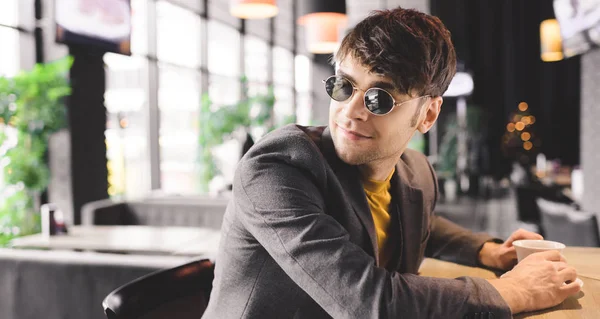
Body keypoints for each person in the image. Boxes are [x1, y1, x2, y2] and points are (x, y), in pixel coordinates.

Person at [203, 7, 580, 319]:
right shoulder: (275, 170)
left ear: (428, 114)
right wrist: (510, 291)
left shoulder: (415, 171)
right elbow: (369, 302)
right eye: (343, 86)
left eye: (379, 98)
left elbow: (421, 222)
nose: (350, 113)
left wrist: (488, 251)